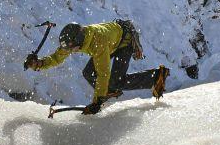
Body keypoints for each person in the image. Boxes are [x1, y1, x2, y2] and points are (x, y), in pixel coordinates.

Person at [24, 19, 169, 114]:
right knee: (88, 73)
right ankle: (108, 92)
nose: (71, 51)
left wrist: (97, 102)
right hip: (112, 42)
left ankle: (155, 77)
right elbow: (57, 57)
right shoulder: (75, 39)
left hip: (124, 42)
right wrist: (39, 64)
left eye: (72, 48)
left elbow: (103, 73)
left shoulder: (96, 42)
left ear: (78, 42)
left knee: (115, 81)